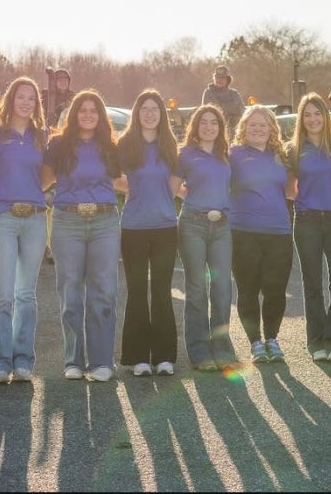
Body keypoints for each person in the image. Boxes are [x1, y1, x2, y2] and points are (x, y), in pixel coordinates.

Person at [41, 90, 122, 382]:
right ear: (73, 114)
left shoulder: (110, 147)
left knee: (103, 291)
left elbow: (122, 181)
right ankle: (73, 360)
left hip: (104, 222)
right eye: (82, 109)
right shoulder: (58, 145)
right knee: (70, 291)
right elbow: (42, 181)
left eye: (93, 110)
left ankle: (102, 361)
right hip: (67, 222)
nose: (87, 114)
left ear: (101, 116)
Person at [0, 77, 51, 384]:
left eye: (31, 98)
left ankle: (23, 358)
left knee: (26, 293)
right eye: (20, 96)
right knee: (3, 293)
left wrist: (34, 190)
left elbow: (49, 173)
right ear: (10, 99)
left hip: (35, 218)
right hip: (3, 217)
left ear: (36, 104)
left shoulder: (42, 136)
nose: (26, 102)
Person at [117, 89, 181, 377]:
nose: (150, 113)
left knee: (161, 292)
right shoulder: (125, 145)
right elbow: (110, 176)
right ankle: (138, 357)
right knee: (137, 291)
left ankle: (164, 356)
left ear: (162, 114)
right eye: (145, 108)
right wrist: (126, 188)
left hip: (166, 227)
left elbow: (177, 185)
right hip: (133, 228)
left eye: (155, 108)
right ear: (137, 113)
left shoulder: (170, 146)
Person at [285, 93, 331, 363]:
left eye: (317, 113)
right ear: (301, 119)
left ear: (326, 116)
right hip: (307, 220)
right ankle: (316, 341)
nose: (313, 119)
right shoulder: (293, 148)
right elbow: (288, 187)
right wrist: (301, 197)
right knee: (312, 283)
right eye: (307, 115)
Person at [173, 103, 237, 372]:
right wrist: (194, 198)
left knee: (222, 290)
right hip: (193, 225)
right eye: (204, 122)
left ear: (221, 127)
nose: (209, 126)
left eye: (214, 122)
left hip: (222, 227)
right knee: (197, 288)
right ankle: (199, 349)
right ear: (195, 127)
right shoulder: (185, 154)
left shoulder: (227, 154)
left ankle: (221, 346)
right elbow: (173, 188)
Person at [229, 105, 293, 363]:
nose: (257, 129)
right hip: (244, 231)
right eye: (252, 124)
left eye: (263, 125)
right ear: (244, 128)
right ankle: (255, 341)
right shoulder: (232, 154)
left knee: (276, 289)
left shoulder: (281, 155)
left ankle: (272, 339)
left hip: (278, 231)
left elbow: (292, 190)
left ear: (271, 129)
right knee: (248, 289)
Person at [201, 65, 245, 136]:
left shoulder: (234, 94)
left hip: (234, 130)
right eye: (217, 78)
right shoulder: (208, 93)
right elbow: (208, 112)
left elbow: (242, 111)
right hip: (215, 131)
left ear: (228, 80)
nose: (219, 80)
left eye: (222, 78)